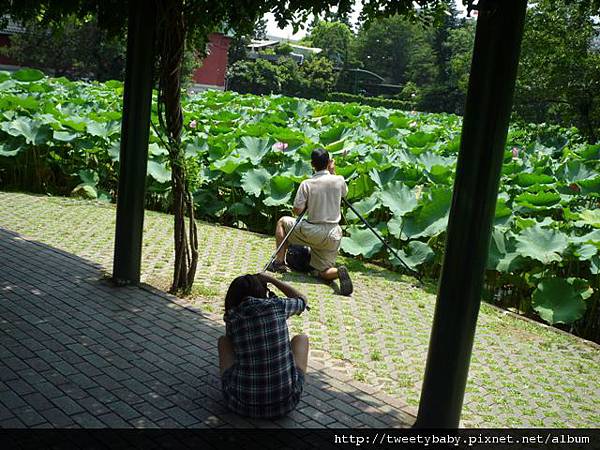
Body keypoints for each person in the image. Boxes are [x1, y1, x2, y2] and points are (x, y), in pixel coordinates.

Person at [217, 272, 309, 419]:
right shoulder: (277, 306)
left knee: (224, 341)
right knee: (301, 339)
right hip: (286, 403)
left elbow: (234, 346)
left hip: (240, 405)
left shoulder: (232, 318)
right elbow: (302, 300)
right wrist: (272, 279)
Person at [268, 148, 353, 296]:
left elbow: (297, 211)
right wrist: (333, 172)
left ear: (312, 164)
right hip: (334, 234)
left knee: (282, 222)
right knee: (322, 271)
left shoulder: (307, 183)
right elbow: (345, 194)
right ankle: (337, 272)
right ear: (329, 163)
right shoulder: (339, 180)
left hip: (313, 231)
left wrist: (310, 203)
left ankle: (279, 262)